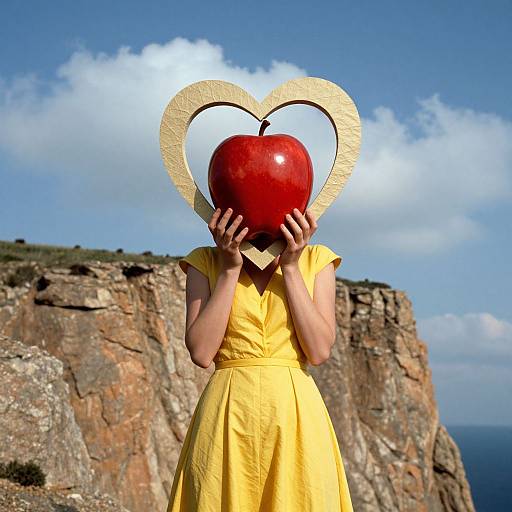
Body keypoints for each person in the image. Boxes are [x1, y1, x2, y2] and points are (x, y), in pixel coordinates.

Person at [167, 206, 354, 511]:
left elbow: (319, 351)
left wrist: (291, 268)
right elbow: (201, 352)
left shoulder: (316, 259)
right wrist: (229, 270)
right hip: (228, 415)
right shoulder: (205, 260)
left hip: (294, 417)